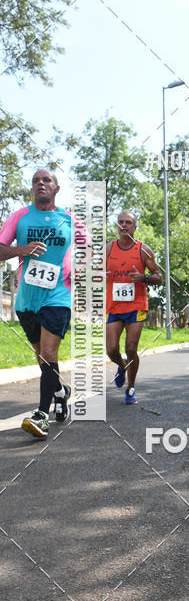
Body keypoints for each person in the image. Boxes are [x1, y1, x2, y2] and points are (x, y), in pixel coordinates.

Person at [0, 169, 74, 438]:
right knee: (42, 357)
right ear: (32, 189)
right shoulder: (19, 217)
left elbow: (89, 253)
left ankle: (42, 414)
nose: (40, 184)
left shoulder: (70, 220)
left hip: (58, 295)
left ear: (56, 188)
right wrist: (22, 249)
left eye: (46, 180)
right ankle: (61, 391)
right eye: (35, 181)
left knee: (50, 353)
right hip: (27, 298)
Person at [105, 211, 162, 404]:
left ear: (134, 227)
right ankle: (121, 366)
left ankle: (130, 388)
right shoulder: (107, 249)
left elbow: (159, 277)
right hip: (113, 306)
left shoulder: (143, 250)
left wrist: (144, 277)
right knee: (111, 350)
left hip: (136, 306)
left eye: (128, 222)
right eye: (120, 222)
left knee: (131, 348)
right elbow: (94, 273)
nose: (124, 225)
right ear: (117, 226)